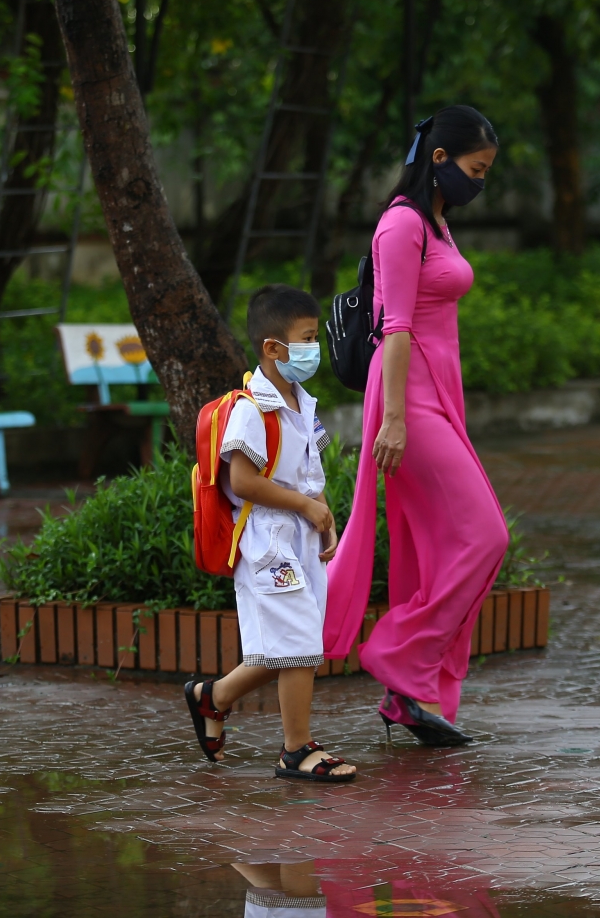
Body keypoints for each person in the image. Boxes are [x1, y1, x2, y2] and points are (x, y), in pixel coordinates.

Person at [322, 105, 510, 747]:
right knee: (486, 536)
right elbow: (395, 327)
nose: (479, 182)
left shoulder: (437, 222)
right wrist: (395, 421)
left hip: (438, 395)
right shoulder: (401, 226)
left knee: (437, 545)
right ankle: (400, 657)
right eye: (475, 169)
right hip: (408, 398)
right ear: (438, 159)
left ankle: (407, 697)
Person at [182, 284, 356, 782]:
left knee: (284, 646)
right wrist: (305, 506)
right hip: (268, 542)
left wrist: (323, 515)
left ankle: (211, 698)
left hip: (299, 534)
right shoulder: (250, 408)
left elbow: (309, 473)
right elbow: (242, 480)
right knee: (298, 640)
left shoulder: (302, 400)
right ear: (273, 348)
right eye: (305, 339)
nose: (313, 348)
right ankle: (296, 750)